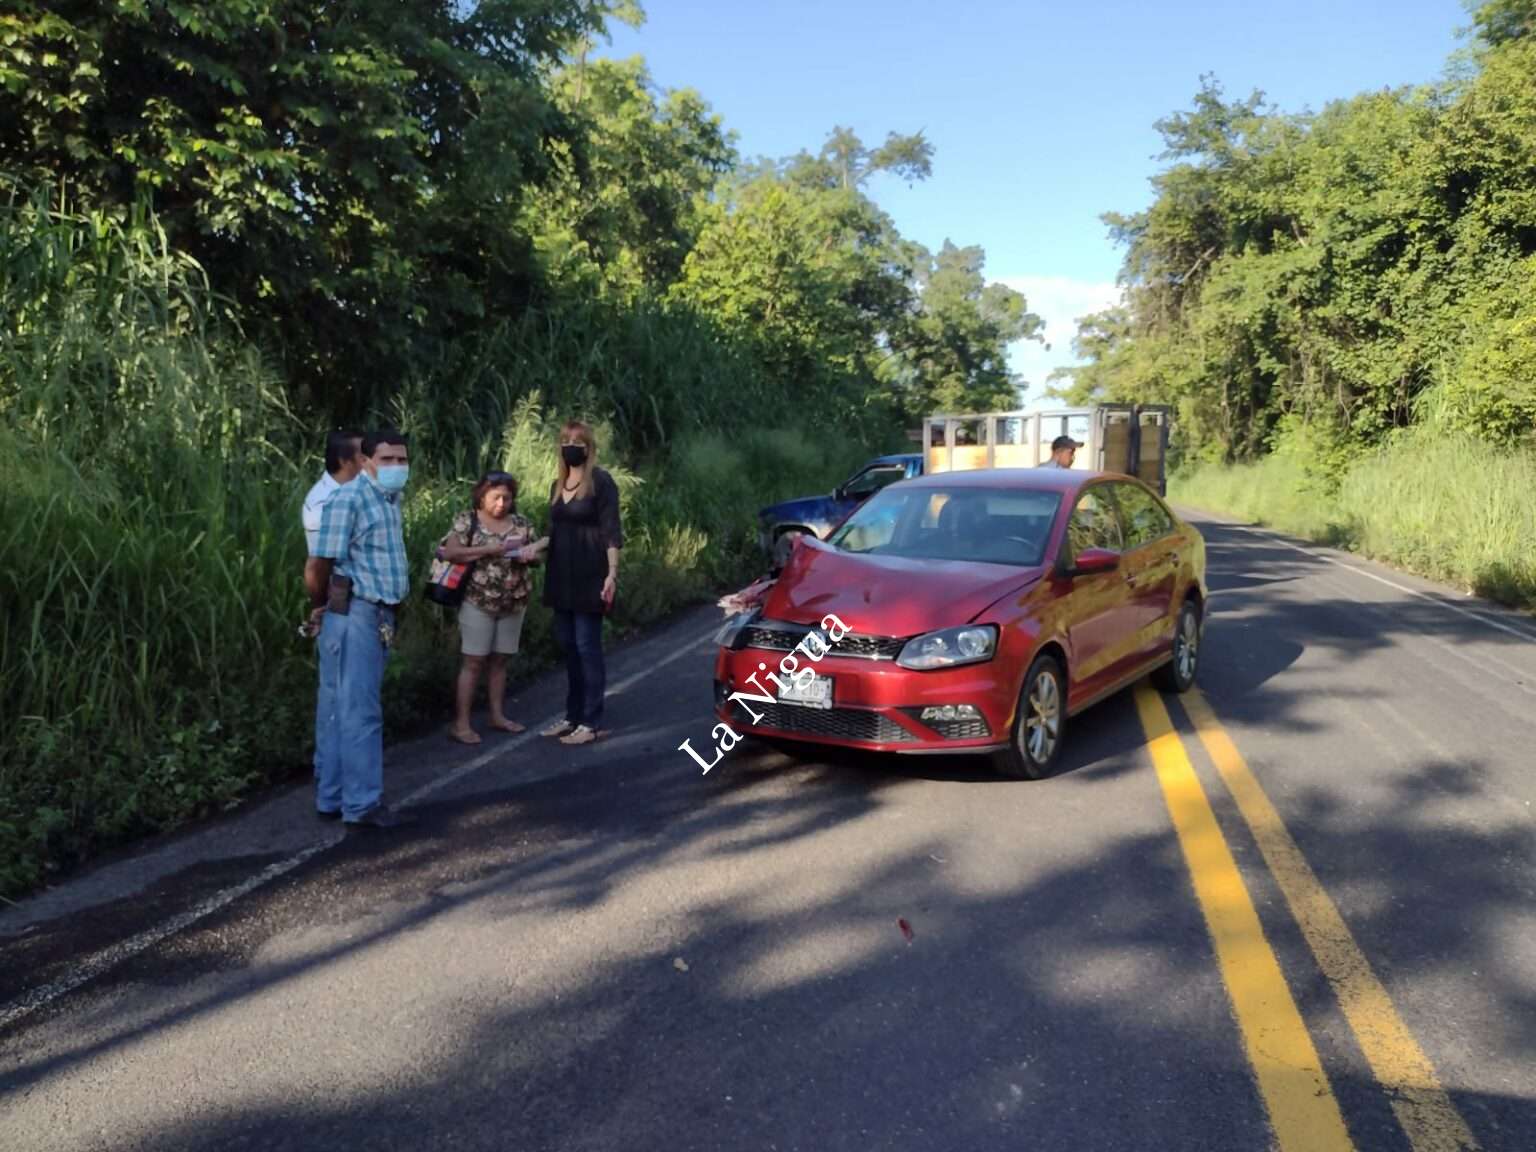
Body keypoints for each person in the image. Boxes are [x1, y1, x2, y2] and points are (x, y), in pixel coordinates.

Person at [306, 427, 413, 829]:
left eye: (401, 460)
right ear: (367, 461)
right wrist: (321, 609)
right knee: (358, 711)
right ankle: (361, 804)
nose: (396, 467)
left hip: (377, 613)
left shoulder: (389, 499)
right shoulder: (347, 499)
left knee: (341, 708)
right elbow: (320, 564)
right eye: (387, 459)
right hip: (355, 615)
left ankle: (333, 797)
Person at [437, 472, 546, 745]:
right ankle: (461, 723)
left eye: (506, 498)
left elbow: (540, 555)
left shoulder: (520, 523)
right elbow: (450, 552)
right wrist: (489, 549)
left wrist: (531, 555)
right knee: (473, 661)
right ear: (482, 496)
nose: (501, 503)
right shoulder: (468, 521)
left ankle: (497, 714)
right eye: (495, 497)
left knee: (500, 660)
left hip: (513, 600)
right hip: (477, 599)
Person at [538, 420, 623, 746]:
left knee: (588, 648)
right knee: (569, 648)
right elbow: (556, 531)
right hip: (561, 577)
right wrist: (535, 547)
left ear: (589, 447)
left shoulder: (601, 482)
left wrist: (612, 573)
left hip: (591, 576)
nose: (571, 445)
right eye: (566, 440)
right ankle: (572, 716)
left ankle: (591, 721)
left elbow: (612, 531)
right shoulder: (557, 485)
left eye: (578, 441)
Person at [302, 429, 363, 790]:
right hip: (340, 603)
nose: (370, 460)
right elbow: (316, 566)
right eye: (363, 454)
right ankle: (334, 780)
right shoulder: (325, 502)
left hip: (352, 601)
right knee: (340, 696)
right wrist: (321, 608)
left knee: (343, 694)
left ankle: (333, 775)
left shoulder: (349, 494)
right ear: (345, 461)